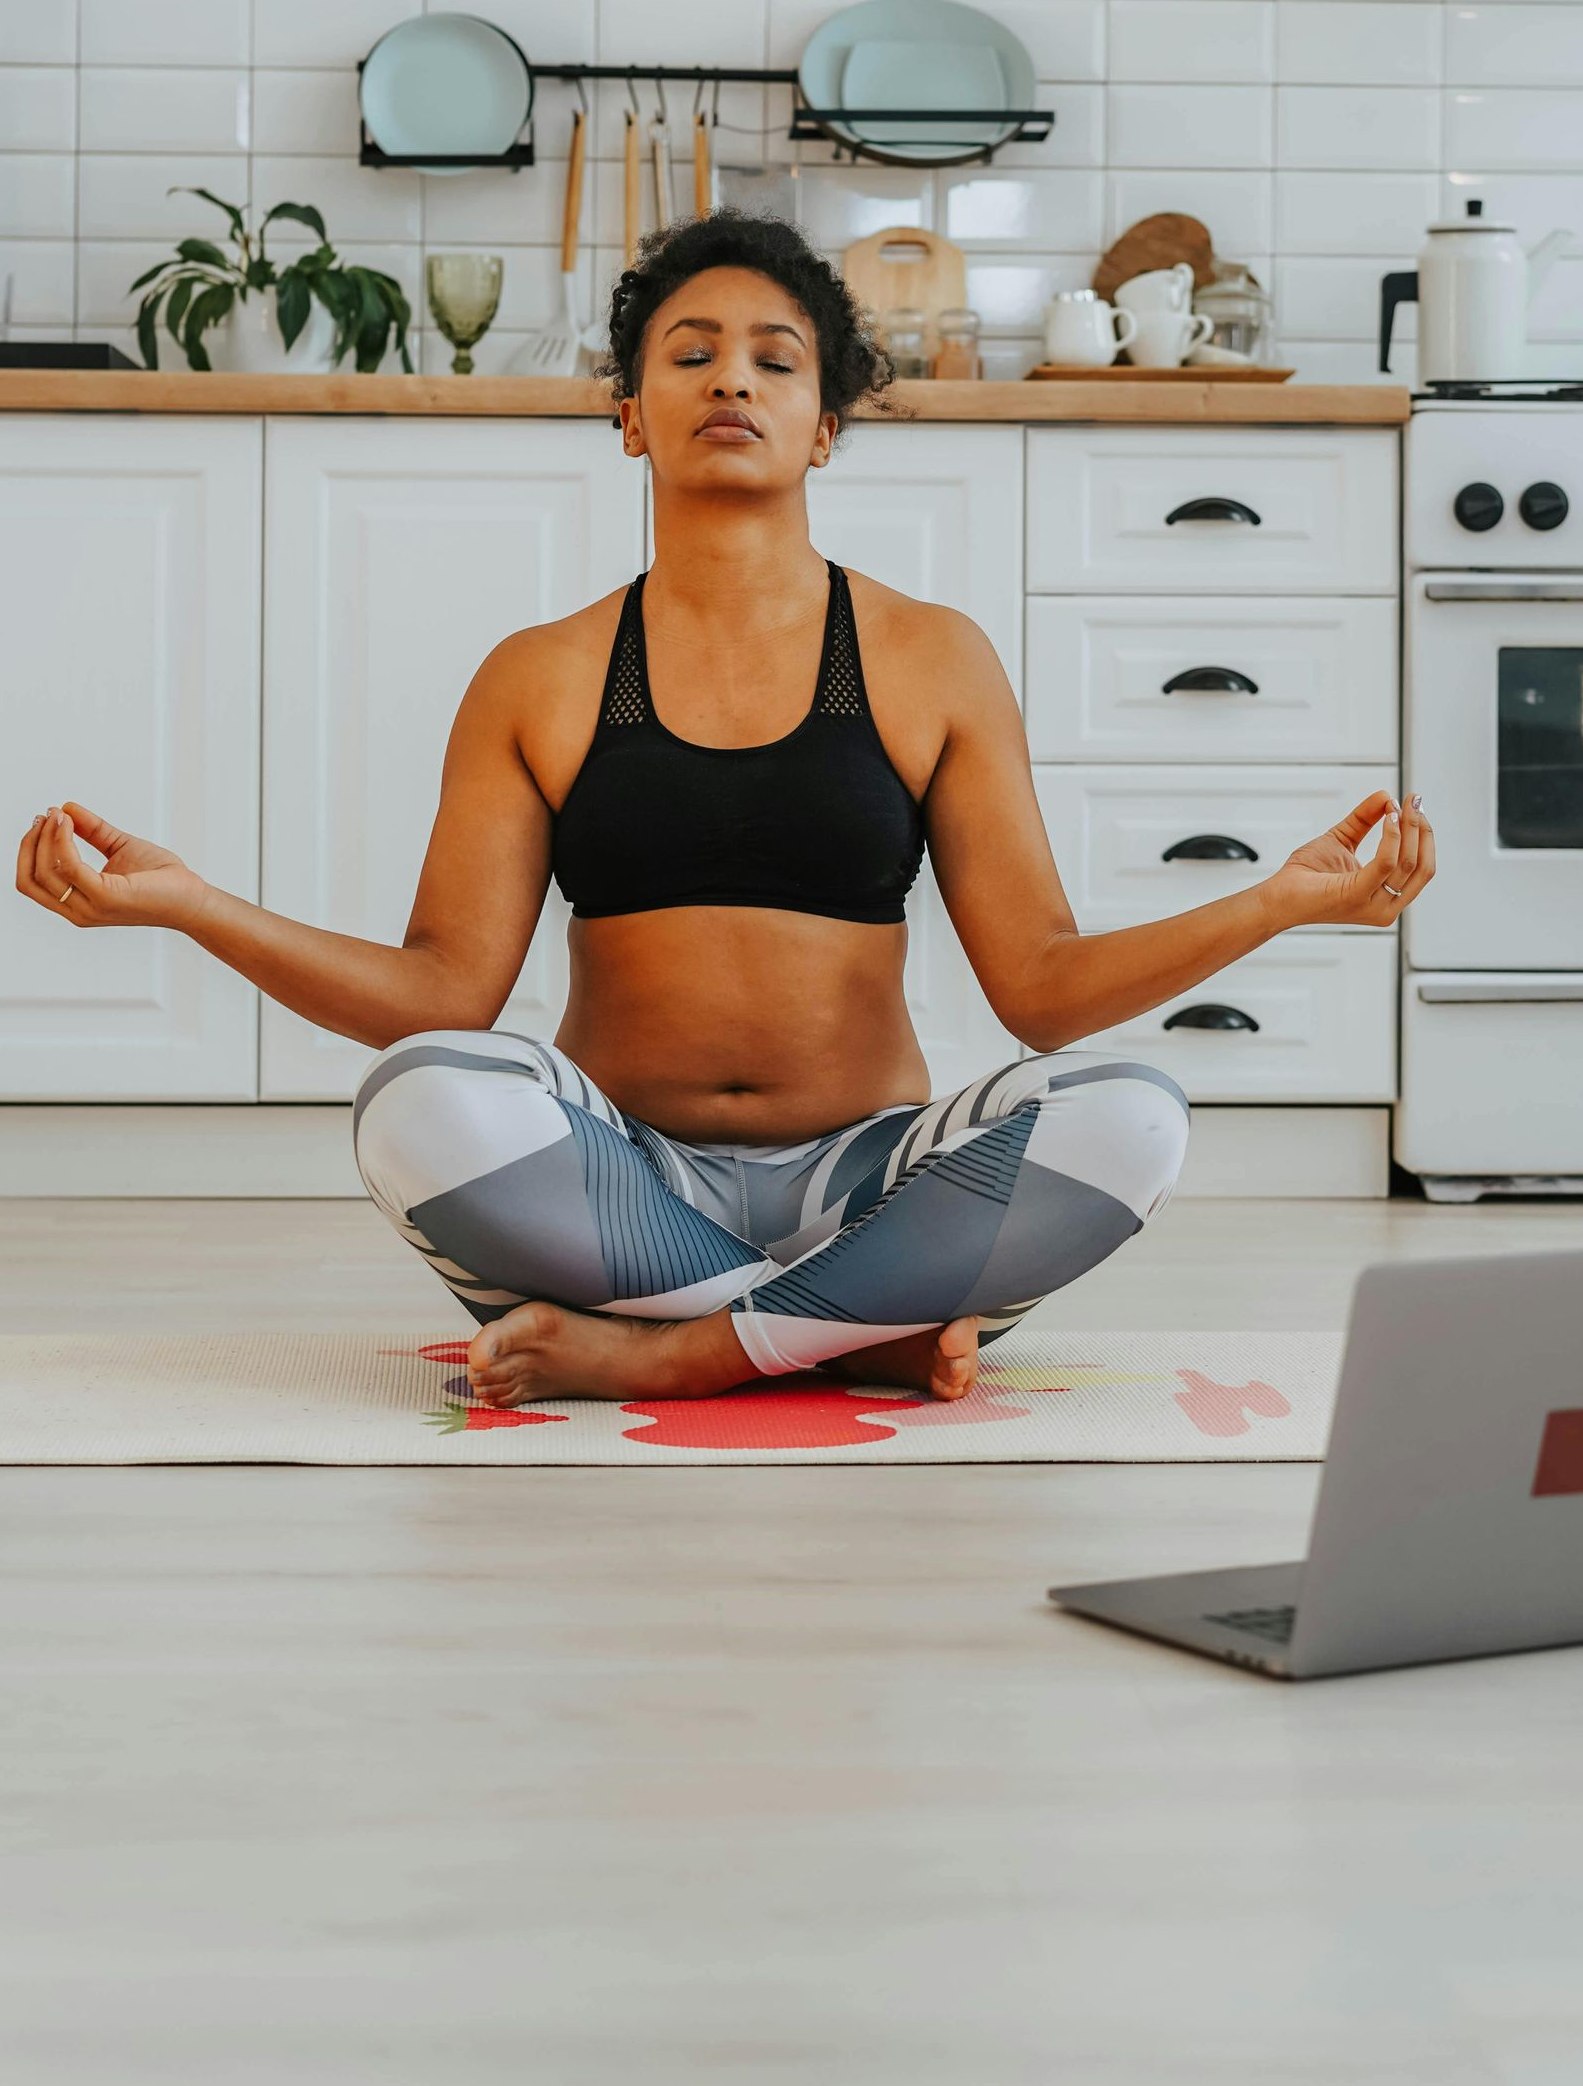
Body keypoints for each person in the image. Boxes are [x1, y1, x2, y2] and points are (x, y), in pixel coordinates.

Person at [15, 212, 1434, 1412]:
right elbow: (437, 994)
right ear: (629, 415)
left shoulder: (930, 656)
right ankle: (839, 1330)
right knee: (418, 1097)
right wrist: (185, 902)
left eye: (775, 359)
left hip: (868, 1176)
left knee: (1132, 1112)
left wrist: (1281, 899)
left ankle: (682, 1354)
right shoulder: (542, 675)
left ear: (827, 425)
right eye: (685, 356)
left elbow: (1045, 995)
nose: (730, 381)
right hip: (620, 1185)